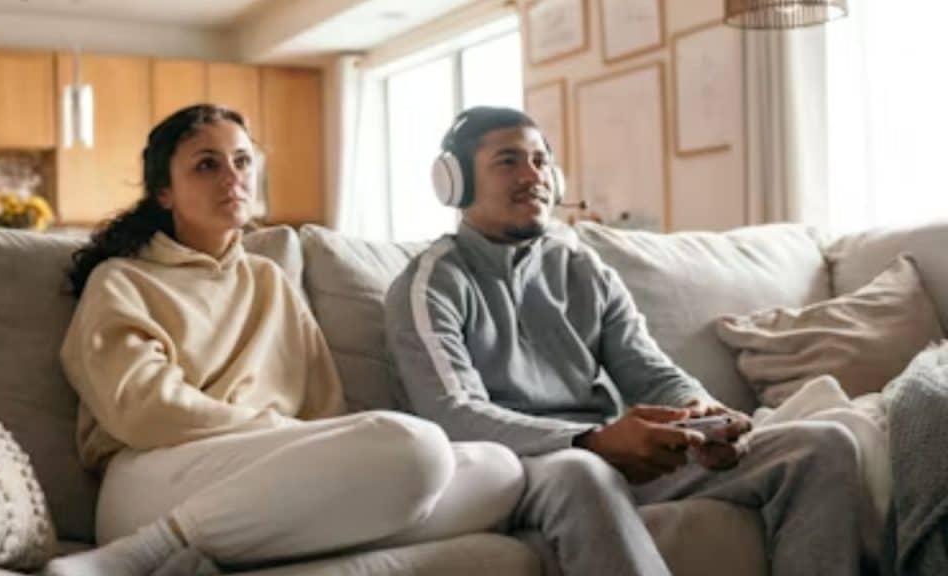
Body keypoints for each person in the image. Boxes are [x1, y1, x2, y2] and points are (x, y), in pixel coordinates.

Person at [384, 106, 869, 576]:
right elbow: (452, 413)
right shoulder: (431, 283)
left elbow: (649, 370)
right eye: (508, 162)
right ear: (456, 183)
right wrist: (591, 440)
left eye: (540, 160)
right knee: (582, 471)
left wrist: (699, 414)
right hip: (516, 464)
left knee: (820, 444)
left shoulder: (582, 269)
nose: (533, 176)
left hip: (605, 451)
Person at [44, 104, 524, 576]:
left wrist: (305, 448)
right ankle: (140, 552)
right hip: (154, 474)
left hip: (278, 472)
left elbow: (324, 411)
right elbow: (144, 410)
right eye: (207, 165)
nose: (232, 177)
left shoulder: (269, 280)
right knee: (415, 447)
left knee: (499, 472)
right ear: (164, 192)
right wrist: (280, 435)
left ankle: (272, 545)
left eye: (242, 160)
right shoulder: (122, 280)